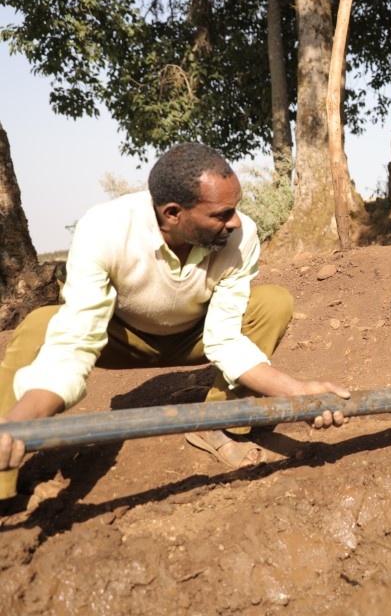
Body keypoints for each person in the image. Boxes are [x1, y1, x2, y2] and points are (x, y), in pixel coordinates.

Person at [0, 143, 350, 507]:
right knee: (41, 325)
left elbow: (226, 340)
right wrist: (24, 420)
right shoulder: (105, 229)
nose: (235, 221)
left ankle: (222, 421)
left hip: (192, 337)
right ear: (172, 213)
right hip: (119, 338)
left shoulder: (241, 235)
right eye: (222, 214)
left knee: (272, 302)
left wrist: (295, 390)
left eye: (236, 209)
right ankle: (4, 460)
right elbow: (73, 346)